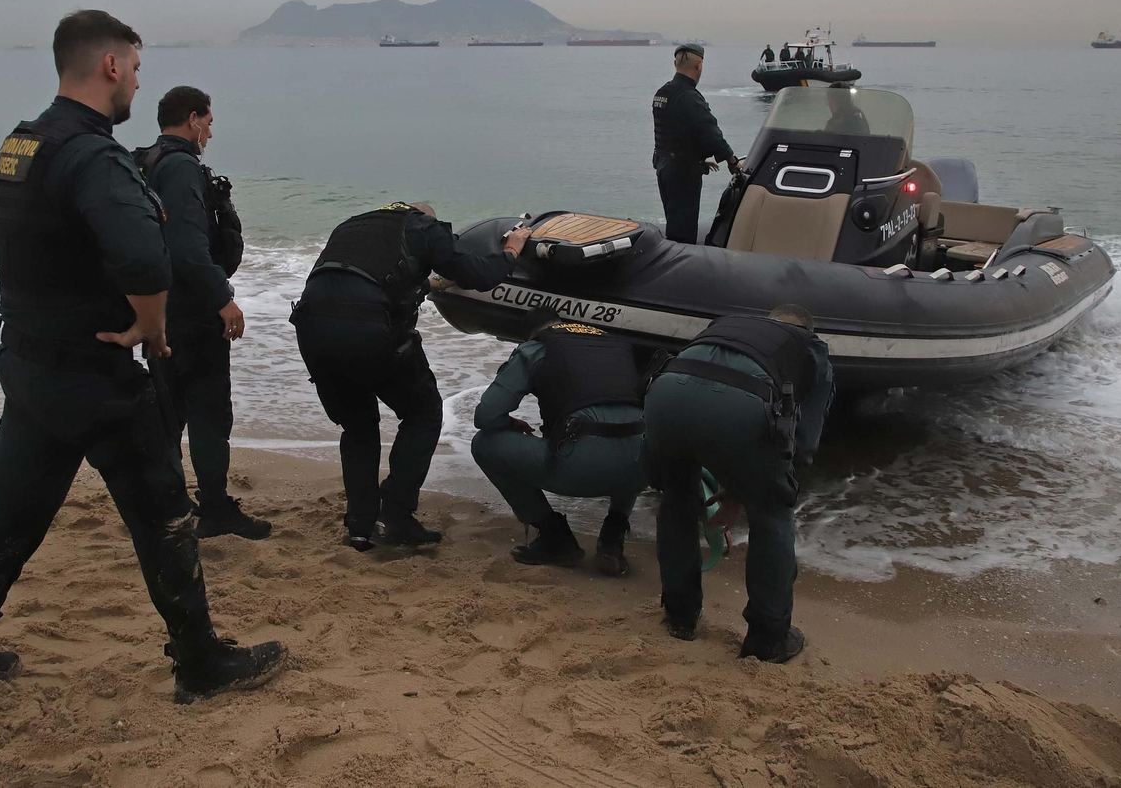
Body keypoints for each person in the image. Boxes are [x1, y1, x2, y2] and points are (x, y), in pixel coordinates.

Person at [0, 10, 285, 703]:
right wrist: (150, 325)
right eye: (136, 67)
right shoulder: (92, 153)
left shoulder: (21, 143)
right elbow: (144, 252)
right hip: (96, 374)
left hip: (31, 364)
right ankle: (201, 662)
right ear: (111, 66)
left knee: (9, 515)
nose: (137, 83)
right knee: (164, 515)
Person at [292, 203, 532, 550]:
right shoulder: (424, 226)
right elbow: (479, 274)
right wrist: (511, 250)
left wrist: (432, 283)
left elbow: (369, 280)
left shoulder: (352, 226)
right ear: (424, 217)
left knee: (358, 428)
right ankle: (396, 514)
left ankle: (360, 527)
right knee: (423, 413)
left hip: (311, 329)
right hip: (368, 330)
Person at [642, 305, 834, 663]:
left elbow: (707, 389)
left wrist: (733, 485)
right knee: (773, 514)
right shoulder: (811, 347)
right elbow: (803, 443)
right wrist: (764, 487)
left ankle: (680, 616)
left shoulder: (725, 323)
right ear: (809, 330)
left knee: (677, 498)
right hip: (742, 409)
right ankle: (768, 637)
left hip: (665, 394)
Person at [135, 86, 269, 540]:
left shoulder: (146, 163)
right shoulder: (180, 167)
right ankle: (213, 509)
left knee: (168, 418)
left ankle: (168, 505)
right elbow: (189, 247)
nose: (209, 134)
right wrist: (222, 299)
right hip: (191, 313)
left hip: (158, 308)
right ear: (193, 119)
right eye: (208, 124)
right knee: (210, 415)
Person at [470, 308, 647, 575]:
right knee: (627, 433)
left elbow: (486, 415)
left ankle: (555, 536)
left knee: (483, 444)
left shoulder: (535, 348)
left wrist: (508, 424)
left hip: (580, 467)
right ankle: (613, 534)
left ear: (529, 334)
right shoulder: (615, 345)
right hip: (640, 469)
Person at [651, 42, 742, 244]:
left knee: (673, 222)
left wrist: (700, 159)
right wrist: (732, 160)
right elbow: (709, 131)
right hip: (682, 173)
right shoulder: (689, 97)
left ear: (675, 64)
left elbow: (676, 133)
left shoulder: (662, 93)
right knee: (683, 232)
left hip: (664, 167)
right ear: (699, 65)